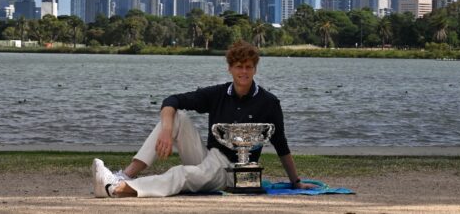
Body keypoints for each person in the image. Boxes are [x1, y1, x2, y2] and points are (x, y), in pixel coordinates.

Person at [91, 40, 318, 197]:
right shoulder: (218, 94)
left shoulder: (269, 102)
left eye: (249, 67)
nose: (244, 72)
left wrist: (296, 182)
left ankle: (117, 188)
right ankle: (124, 174)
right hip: (208, 157)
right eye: (239, 67)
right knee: (176, 115)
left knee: (182, 174)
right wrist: (167, 131)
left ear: (255, 70)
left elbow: (282, 145)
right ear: (230, 68)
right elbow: (172, 99)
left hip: (231, 171)